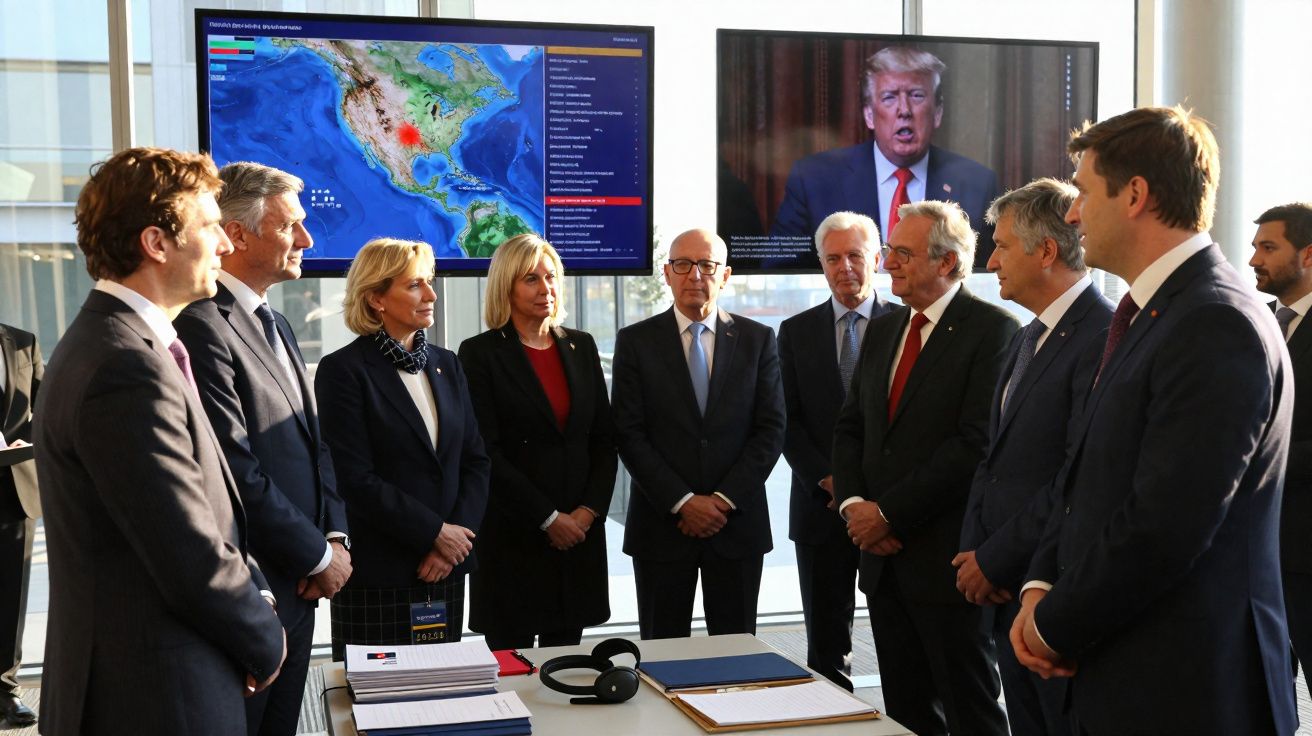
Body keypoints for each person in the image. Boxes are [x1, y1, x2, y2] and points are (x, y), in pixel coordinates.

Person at [1012, 107, 1298, 735]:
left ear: (1135, 194)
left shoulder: (1216, 321)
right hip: (1127, 674)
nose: (1075, 212)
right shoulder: (1148, 314)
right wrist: (1039, 581)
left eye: (1085, 191)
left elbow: (1166, 523)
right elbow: (1084, 476)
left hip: (1190, 690)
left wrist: (1052, 623)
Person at [34, 147, 286, 735]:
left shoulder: (123, 345)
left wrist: (260, 600)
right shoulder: (125, 366)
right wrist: (266, 638)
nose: (225, 246)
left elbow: (205, 513)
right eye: (209, 228)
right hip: (155, 699)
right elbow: (185, 549)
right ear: (156, 242)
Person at [174, 161, 350, 736]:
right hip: (258, 591)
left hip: (301, 585)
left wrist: (332, 539)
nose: (307, 239)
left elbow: (313, 444)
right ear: (240, 234)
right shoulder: (202, 325)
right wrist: (316, 559)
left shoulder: (277, 322)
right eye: (290, 226)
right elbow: (234, 467)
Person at [831, 199, 1016, 736]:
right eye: (890, 251)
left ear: (949, 263)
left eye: (904, 254)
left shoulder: (993, 333)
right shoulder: (886, 331)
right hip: (884, 564)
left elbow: (973, 445)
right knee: (906, 712)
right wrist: (855, 507)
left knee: (971, 708)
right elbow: (850, 428)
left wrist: (889, 514)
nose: (889, 264)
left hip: (948, 563)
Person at [953, 179, 1112, 736]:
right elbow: (993, 458)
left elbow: (1077, 473)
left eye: (1000, 245)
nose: (990, 259)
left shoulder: (1103, 335)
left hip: (1052, 595)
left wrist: (996, 560)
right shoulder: (1029, 337)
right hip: (1003, 590)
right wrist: (977, 550)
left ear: (1046, 251)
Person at [315, 238, 489, 660]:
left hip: (446, 570)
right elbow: (354, 479)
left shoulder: (447, 363)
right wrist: (434, 533)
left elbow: (475, 460)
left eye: (429, 283)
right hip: (380, 573)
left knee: (437, 704)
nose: (430, 294)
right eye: (414, 285)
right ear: (376, 298)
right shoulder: (343, 371)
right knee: (374, 710)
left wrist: (454, 543)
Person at [611, 228, 785, 640]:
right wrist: (683, 502)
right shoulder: (635, 342)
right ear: (666, 273)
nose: (695, 275)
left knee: (737, 658)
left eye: (706, 265)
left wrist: (721, 501)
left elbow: (771, 430)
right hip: (661, 527)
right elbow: (629, 433)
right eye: (683, 265)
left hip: (737, 526)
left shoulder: (758, 340)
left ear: (724, 275)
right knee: (661, 657)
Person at [457, 234, 617, 649]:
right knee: (512, 675)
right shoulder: (479, 354)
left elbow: (603, 439)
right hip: (514, 536)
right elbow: (486, 451)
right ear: (506, 286)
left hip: (578, 539)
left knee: (568, 668)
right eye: (531, 278)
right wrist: (548, 518)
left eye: (551, 277)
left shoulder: (581, 346)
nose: (545, 288)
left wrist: (586, 513)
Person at [778, 211, 893, 690]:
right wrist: (829, 480)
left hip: (890, 512)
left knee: (897, 638)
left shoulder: (906, 326)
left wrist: (869, 493)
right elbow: (786, 420)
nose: (844, 266)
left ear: (878, 259)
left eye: (855, 255)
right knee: (826, 646)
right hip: (820, 508)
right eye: (832, 258)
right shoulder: (795, 331)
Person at [772, 46, 1000, 267]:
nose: (904, 110)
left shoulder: (977, 183)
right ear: (869, 115)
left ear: (937, 113)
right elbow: (779, 268)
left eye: (917, 95)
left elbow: (988, 269)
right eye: (890, 97)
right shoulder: (814, 179)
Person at [1249, 202, 1312, 698]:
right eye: (1254, 247)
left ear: (1308, 256)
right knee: (1265, 696)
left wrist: (1252, 456)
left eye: (1268, 248)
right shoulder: (1258, 323)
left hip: (1306, 551)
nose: (1252, 260)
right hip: (1255, 553)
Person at [0, 324, 40, 728]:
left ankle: (5, 691)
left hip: (14, 484)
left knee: (11, 598)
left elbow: (43, 401)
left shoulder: (23, 341)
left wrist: (26, 438)